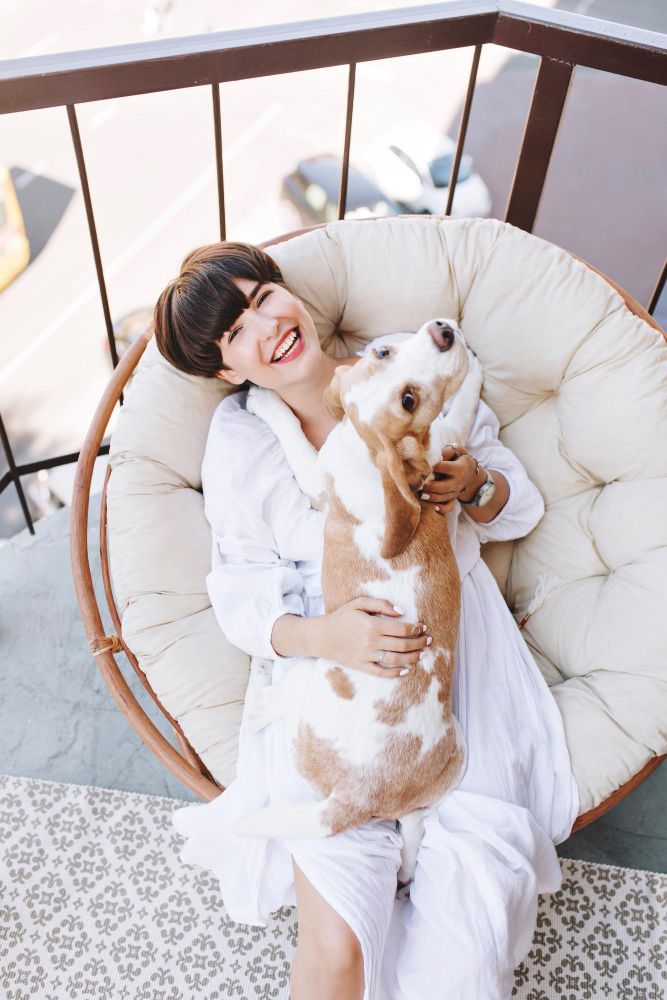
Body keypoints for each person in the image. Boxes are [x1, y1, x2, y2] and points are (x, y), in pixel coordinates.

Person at [154, 241, 579, 1000]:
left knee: (465, 959)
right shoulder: (244, 440)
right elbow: (242, 590)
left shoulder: (401, 365)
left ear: (286, 294)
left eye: (261, 300)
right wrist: (326, 637)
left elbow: (515, 503)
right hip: (331, 683)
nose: (265, 328)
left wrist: (474, 483)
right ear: (226, 370)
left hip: (455, 652)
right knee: (336, 950)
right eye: (236, 334)